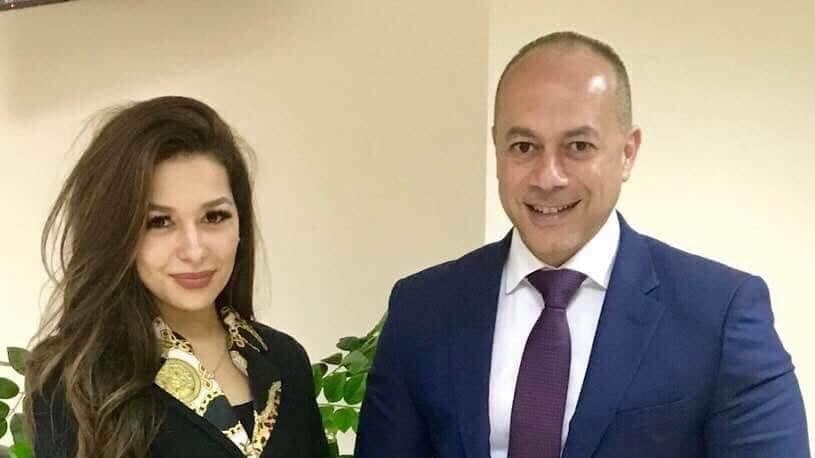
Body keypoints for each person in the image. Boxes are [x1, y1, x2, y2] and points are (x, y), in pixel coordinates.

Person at [355, 31, 809, 458]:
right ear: (497, 148)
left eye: (578, 146)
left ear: (627, 152)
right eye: (524, 146)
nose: (548, 177)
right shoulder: (423, 310)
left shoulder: (720, 314)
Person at [24, 96, 328, 458]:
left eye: (214, 217)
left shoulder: (284, 360)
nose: (195, 250)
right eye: (159, 222)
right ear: (114, 233)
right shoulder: (75, 381)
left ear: (240, 222)